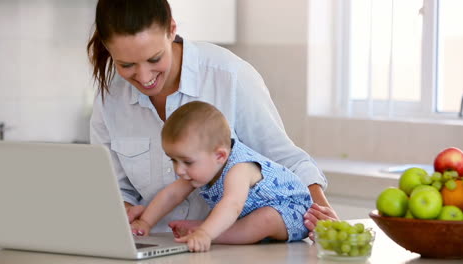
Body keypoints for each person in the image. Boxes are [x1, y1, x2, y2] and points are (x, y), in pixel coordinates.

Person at [87, 0, 338, 237]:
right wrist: (126, 211)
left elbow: (286, 160)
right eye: (127, 64)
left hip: (236, 248)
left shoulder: (229, 75)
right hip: (154, 246)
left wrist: (324, 216)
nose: (143, 77)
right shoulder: (109, 98)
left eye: (154, 59)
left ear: (172, 29)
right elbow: (113, 188)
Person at [131, 101, 313, 252]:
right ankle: (208, 228)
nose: (179, 170)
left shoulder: (239, 168)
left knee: (265, 218)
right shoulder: (203, 167)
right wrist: (145, 222)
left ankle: (212, 232)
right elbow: (171, 194)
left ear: (220, 156)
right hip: (251, 217)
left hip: (292, 210)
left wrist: (206, 233)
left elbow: (232, 205)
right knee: (248, 219)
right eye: (174, 160)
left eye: (187, 162)